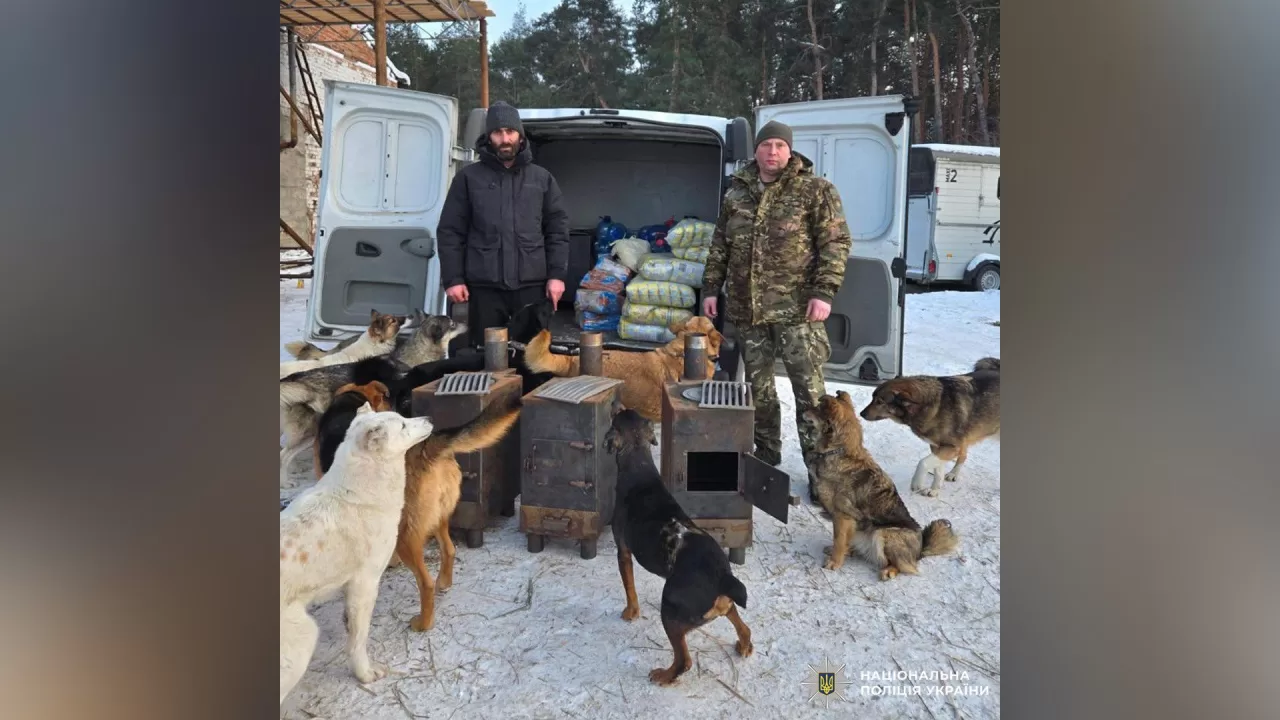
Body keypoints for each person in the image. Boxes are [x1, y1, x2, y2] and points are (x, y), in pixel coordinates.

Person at [701, 120, 853, 502]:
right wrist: (710, 288)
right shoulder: (736, 195)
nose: (772, 152)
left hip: (797, 313)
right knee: (759, 392)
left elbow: (835, 244)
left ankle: (822, 474)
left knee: (811, 396)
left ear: (790, 151)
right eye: (766, 145)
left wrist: (823, 292)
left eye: (779, 146)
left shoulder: (815, 191)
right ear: (755, 150)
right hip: (748, 313)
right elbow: (721, 245)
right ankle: (766, 459)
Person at [437, 101, 569, 349]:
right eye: (498, 132)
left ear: (520, 136)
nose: (505, 138)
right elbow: (450, 232)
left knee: (532, 358)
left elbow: (557, 232)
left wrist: (557, 276)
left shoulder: (542, 179)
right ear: (489, 137)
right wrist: (453, 279)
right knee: (481, 356)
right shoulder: (468, 179)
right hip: (482, 290)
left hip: (531, 287)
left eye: (510, 131)